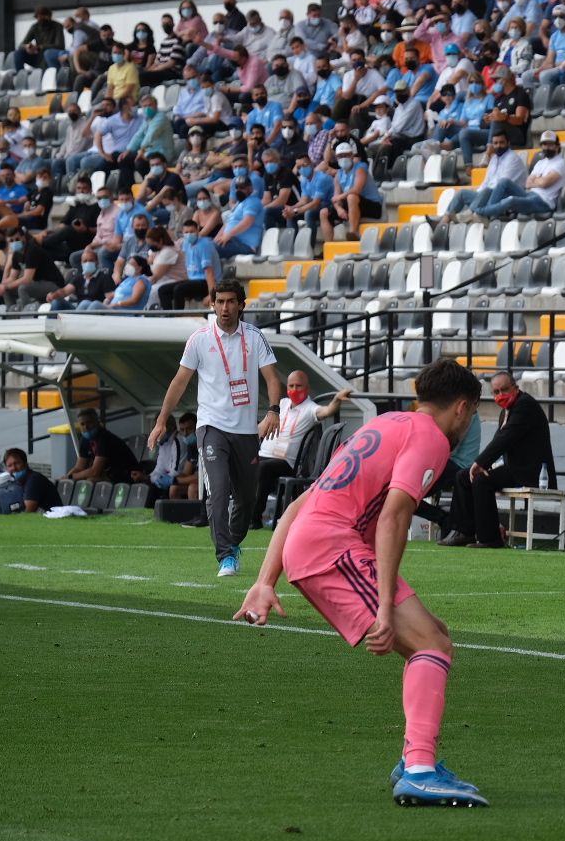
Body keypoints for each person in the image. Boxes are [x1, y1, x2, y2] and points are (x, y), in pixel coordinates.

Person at [233, 359, 489, 808]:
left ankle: (415, 759)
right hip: (332, 548)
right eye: (472, 415)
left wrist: (263, 580)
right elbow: (393, 517)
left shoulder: (387, 424)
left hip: (320, 541)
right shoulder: (430, 439)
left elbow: (301, 504)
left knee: (436, 637)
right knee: (431, 645)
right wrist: (385, 608)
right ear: (463, 408)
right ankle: (419, 770)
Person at [146, 282, 283, 578]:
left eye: (231, 302)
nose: (225, 308)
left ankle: (233, 543)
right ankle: (225, 555)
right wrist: (161, 420)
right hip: (211, 426)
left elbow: (273, 378)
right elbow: (179, 381)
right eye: (219, 302)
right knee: (218, 490)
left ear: (241, 305)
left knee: (246, 499)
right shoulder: (199, 339)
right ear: (212, 304)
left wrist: (273, 410)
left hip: (246, 431)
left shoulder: (255, 337)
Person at [440, 371, 558, 548]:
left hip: (531, 471)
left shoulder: (525, 406)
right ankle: (464, 531)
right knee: (463, 476)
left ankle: (490, 538)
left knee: (480, 480)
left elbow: (505, 439)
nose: (500, 395)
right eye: (496, 392)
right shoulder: (507, 411)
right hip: (514, 468)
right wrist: (484, 464)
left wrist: (480, 463)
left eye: (504, 390)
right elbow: (499, 440)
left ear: (515, 388)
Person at [253, 370, 352, 528]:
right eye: (291, 385)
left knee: (263, 468)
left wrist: (336, 400)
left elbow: (327, 411)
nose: (294, 389)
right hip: (262, 454)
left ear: (307, 388)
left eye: (298, 386)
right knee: (242, 461)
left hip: (285, 462)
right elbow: (261, 426)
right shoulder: (283, 403)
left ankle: (254, 518)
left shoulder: (310, 408)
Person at [64, 408, 138, 486]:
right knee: (78, 480)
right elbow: (79, 467)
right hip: (110, 475)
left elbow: (95, 471)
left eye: (89, 423)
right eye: (82, 424)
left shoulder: (105, 438)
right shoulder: (85, 439)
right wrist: (65, 478)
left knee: (90, 481)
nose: (86, 427)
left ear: (97, 422)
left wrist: (71, 477)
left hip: (128, 475)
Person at [0, 448, 59, 514]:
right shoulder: (14, 480)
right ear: (6, 468)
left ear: (25, 463)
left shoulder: (33, 479)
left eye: (17, 463)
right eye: (10, 465)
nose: (14, 468)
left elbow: (29, 510)